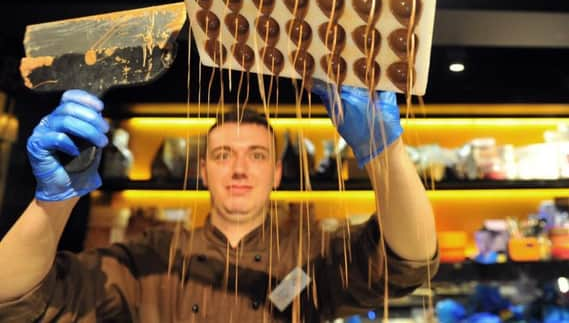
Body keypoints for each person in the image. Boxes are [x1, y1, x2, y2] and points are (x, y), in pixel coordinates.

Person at [0, 82, 438, 322]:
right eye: (223, 155)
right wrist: (52, 203)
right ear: (204, 172)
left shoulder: (312, 254)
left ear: (278, 174)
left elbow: (409, 260)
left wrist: (385, 153)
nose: (240, 169)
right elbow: (16, 300)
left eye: (258, 155)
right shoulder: (149, 258)